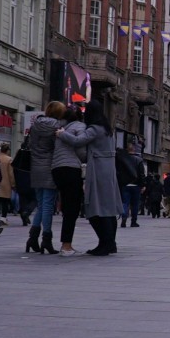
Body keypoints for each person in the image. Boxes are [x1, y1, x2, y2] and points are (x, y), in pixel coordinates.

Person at [56, 100, 122, 256]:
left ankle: (105, 243)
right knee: (108, 208)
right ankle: (109, 243)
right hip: (109, 170)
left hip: (98, 169)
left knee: (96, 208)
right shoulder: (107, 129)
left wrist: (61, 133)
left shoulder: (94, 129)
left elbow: (78, 140)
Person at [27, 101, 65, 254]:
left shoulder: (35, 125)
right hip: (50, 167)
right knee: (48, 206)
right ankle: (46, 240)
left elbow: (30, 144)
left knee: (41, 205)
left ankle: (32, 238)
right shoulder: (57, 126)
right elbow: (59, 146)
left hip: (35, 167)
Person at [51, 106, 87, 257]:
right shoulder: (80, 126)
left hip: (56, 168)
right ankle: (66, 246)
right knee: (72, 208)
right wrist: (85, 158)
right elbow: (80, 147)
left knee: (66, 206)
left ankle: (65, 244)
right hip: (71, 168)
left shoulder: (61, 128)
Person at [118, 142, 144, 228]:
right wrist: (143, 185)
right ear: (134, 150)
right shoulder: (139, 160)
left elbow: (119, 173)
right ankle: (133, 221)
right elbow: (141, 174)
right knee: (135, 204)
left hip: (125, 185)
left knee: (125, 202)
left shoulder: (122, 159)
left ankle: (124, 219)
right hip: (136, 185)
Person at [0, 144, 16, 225]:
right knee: (5, 201)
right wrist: (13, 184)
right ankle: (3, 218)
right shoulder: (9, 159)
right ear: (8, 151)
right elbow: (11, 173)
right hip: (6, 183)